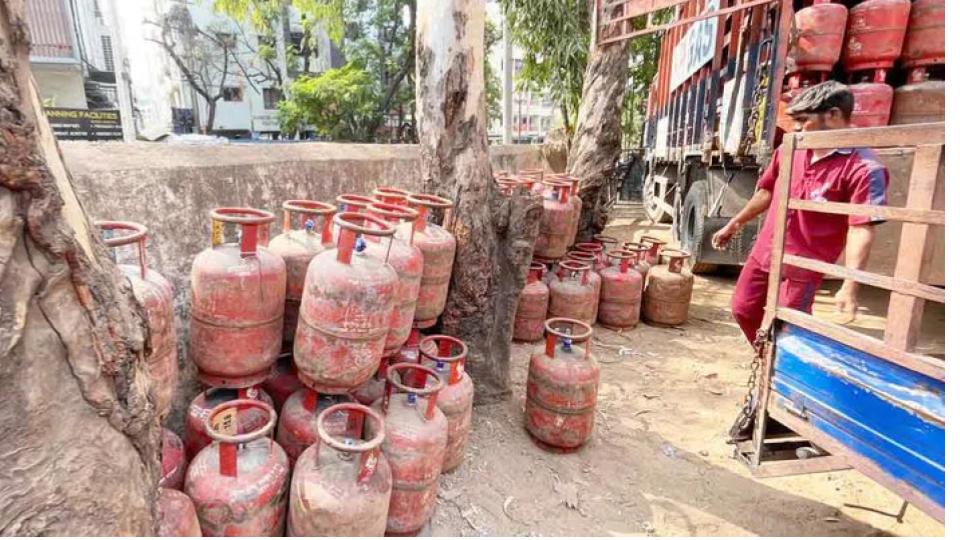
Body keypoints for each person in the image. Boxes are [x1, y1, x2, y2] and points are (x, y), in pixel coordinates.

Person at [712, 81, 888, 347]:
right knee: (743, 309)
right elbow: (766, 192)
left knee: (786, 329)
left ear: (834, 115)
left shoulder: (863, 167)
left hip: (804, 266)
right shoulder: (789, 150)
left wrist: (850, 286)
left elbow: (861, 228)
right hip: (766, 252)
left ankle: (777, 370)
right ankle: (765, 361)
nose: (795, 128)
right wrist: (733, 224)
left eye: (804, 120)